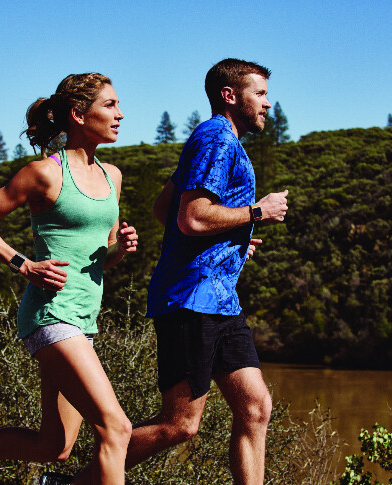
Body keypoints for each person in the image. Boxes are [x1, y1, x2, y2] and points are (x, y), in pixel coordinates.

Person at [0, 72, 138, 485]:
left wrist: (120, 249)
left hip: (84, 318)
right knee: (116, 429)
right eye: (110, 105)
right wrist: (24, 264)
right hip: (52, 315)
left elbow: (101, 258)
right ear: (78, 114)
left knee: (54, 446)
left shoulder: (113, 176)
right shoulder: (45, 173)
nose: (120, 114)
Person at [77, 58, 289, 484]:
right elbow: (191, 217)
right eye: (260, 94)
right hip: (191, 298)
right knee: (180, 424)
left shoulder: (215, 140)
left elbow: (165, 208)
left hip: (220, 298)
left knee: (255, 408)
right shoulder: (217, 139)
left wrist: (231, 239)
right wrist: (256, 213)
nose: (268, 103)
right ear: (230, 96)